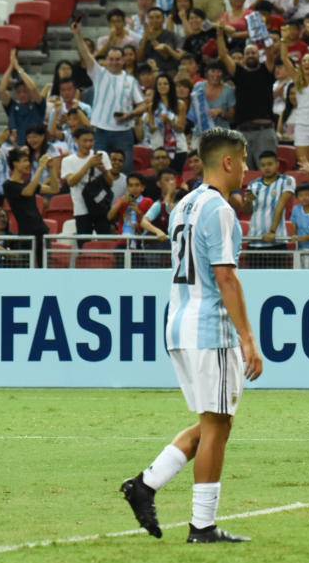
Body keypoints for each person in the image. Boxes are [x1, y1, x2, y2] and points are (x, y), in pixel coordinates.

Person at [120, 127, 261, 544]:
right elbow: (225, 277)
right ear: (229, 162)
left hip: (179, 322)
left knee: (214, 420)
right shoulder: (219, 209)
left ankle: (145, 484)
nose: (248, 169)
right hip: (208, 328)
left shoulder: (184, 205)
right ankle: (201, 526)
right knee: (217, 426)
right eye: (245, 159)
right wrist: (247, 339)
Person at [72, 20, 144, 172]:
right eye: (111, 59)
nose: (114, 62)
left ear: (123, 60)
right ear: (106, 61)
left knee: (125, 170)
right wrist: (77, 35)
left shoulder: (131, 80)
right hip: (100, 130)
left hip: (124, 132)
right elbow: (85, 54)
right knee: (98, 170)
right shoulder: (98, 73)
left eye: (118, 59)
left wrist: (129, 115)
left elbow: (143, 105)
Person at [215, 23, 278, 170]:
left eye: (253, 53)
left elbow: (270, 50)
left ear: (259, 55)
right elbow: (223, 55)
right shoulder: (239, 73)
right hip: (243, 131)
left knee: (268, 172)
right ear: (243, 57)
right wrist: (219, 34)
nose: (250, 55)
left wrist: (262, 32)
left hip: (264, 130)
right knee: (244, 174)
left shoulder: (266, 70)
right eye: (248, 53)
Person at [280, 28, 309, 180]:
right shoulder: (297, 79)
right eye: (304, 61)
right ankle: (308, 192)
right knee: (304, 165)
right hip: (301, 125)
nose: (307, 63)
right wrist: (283, 40)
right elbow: (284, 58)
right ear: (301, 65)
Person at [2, 148, 60, 267]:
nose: (28, 164)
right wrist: (40, 168)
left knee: (46, 266)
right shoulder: (8, 185)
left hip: (41, 230)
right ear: (15, 164)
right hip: (26, 233)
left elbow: (55, 189)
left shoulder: (30, 183)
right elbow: (27, 192)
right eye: (24, 160)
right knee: (26, 267)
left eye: (28, 160)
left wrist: (52, 168)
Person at [61, 127, 115, 240]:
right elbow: (71, 182)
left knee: (105, 243)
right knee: (84, 245)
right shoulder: (67, 161)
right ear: (76, 140)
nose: (88, 144)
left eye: (91, 140)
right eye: (85, 141)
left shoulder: (101, 155)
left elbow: (110, 183)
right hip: (81, 209)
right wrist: (88, 165)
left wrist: (104, 170)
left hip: (100, 207)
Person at [243, 150, 296, 260]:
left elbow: (281, 205)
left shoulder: (287, 181)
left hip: (276, 241)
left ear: (277, 164)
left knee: (279, 277)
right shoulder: (253, 184)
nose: (266, 168)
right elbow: (248, 211)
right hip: (254, 241)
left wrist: (272, 231)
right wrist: (248, 201)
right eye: (263, 165)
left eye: (270, 164)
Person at [0, 51, 45, 147]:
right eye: (19, 92)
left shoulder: (39, 105)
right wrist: (11, 67)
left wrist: (18, 68)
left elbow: (33, 88)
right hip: (17, 147)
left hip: (36, 147)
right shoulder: (12, 106)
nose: (22, 94)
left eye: (25, 91)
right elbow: (2, 90)